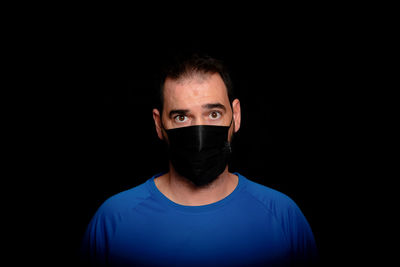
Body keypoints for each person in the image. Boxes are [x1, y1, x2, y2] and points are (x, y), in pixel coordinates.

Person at [81, 53, 318, 266]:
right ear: (158, 123)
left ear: (235, 115)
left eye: (213, 114)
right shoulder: (113, 220)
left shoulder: (284, 215)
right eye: (181, 117)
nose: (199, 132)